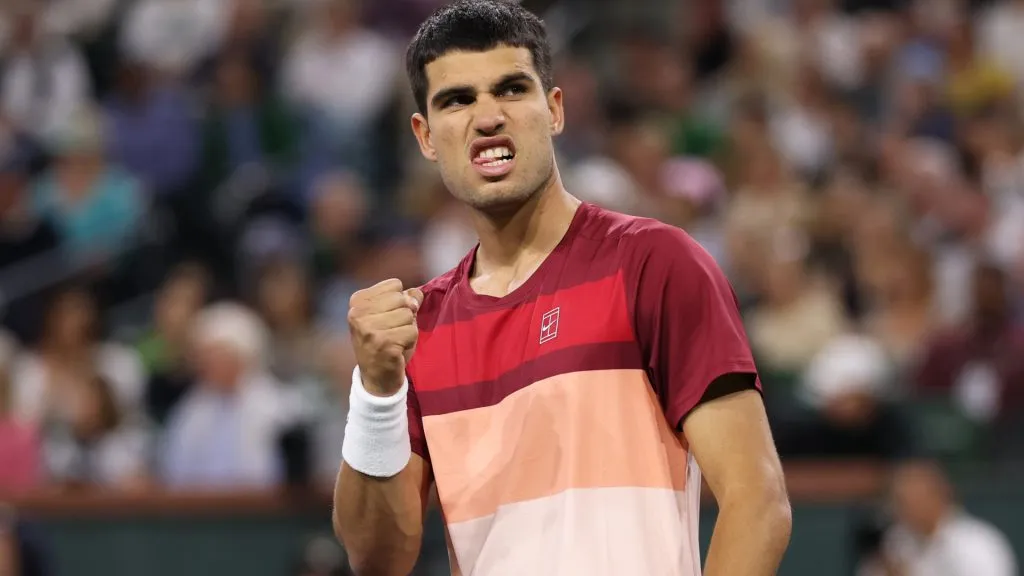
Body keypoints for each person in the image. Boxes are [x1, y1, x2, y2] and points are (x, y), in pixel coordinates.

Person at [333, 1, 792, 575]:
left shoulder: (652, 263)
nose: (488, 117)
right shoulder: (418, 328)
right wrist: (377, 395)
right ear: (425, 137)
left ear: (554, 109)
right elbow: (377, 558)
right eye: (458, 100)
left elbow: (757, 502)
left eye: (511, 89)